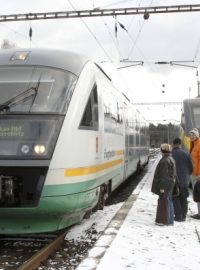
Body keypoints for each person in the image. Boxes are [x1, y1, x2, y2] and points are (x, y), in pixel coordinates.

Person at [151, 143, 176, 225]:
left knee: (165, 202)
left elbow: (163, 176)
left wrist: (161, 188)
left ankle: (165, 220)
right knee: (169, 201)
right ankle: (170, 220)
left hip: (165, 185)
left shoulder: (165, 161)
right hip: (169, 185)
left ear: (163, 150)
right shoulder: (170, 158)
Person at [171, 138, 193, 222]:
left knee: (175, 198)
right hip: (184, 180)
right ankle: (184, 216)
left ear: (173, 144)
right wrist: (187, 175)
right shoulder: (186, 153)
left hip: (174, 181)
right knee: (184, 198)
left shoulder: (170, 154)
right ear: (180, 144)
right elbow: (191, 168)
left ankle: (178, 216)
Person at [189, 128, 200, 220]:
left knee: (198, 193)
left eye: (193, 135)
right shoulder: (193, 144)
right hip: (193, 173)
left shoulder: (199, 145)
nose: (191, 136)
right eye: (190, 135)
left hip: (197, 174)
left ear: (197, 135)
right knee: (197, 193)